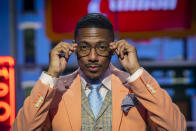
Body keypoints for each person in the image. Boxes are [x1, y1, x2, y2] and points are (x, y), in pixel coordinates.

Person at [12, 13, 186, 131]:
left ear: (113, 48)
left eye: (101, 47)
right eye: (84, 47)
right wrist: (50, 76)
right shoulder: (56, 91)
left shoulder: (135, 87)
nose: (93, 56)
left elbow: (176, 127)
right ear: (75, 48)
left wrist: (136, 71)